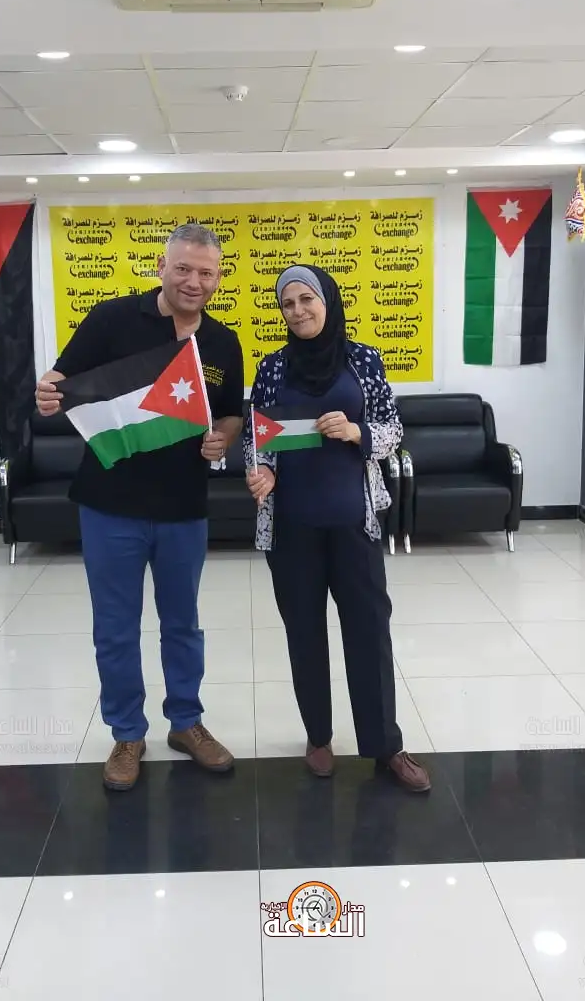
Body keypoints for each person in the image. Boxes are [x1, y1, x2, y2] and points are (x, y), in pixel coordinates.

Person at [36, 224, 244, 791]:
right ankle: (127, 734)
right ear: (161, 267)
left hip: (184, 505)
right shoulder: (111, 319)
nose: (194, 281)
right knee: (115, 628)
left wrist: (222, 438)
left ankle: (187, 723)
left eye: (206, 273)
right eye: (184, 268)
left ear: (218, 278)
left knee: (183, 625)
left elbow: (230, 413)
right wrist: (48, 391)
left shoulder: (223, 343)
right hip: (110, 504)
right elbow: (60, 380)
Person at [244, 265, 430, 792]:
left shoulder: (363, 359)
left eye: (307, 299)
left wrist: (356, 431)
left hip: (355, 524)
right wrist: (260, 471)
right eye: (288, 303)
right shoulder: (273, 367)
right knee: (304, 633)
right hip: (292, 528)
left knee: (369, 632)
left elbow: (392, 429)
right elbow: (259, 437)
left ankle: (385, 744)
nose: (298, 310)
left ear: (328, 301)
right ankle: (319, 737)